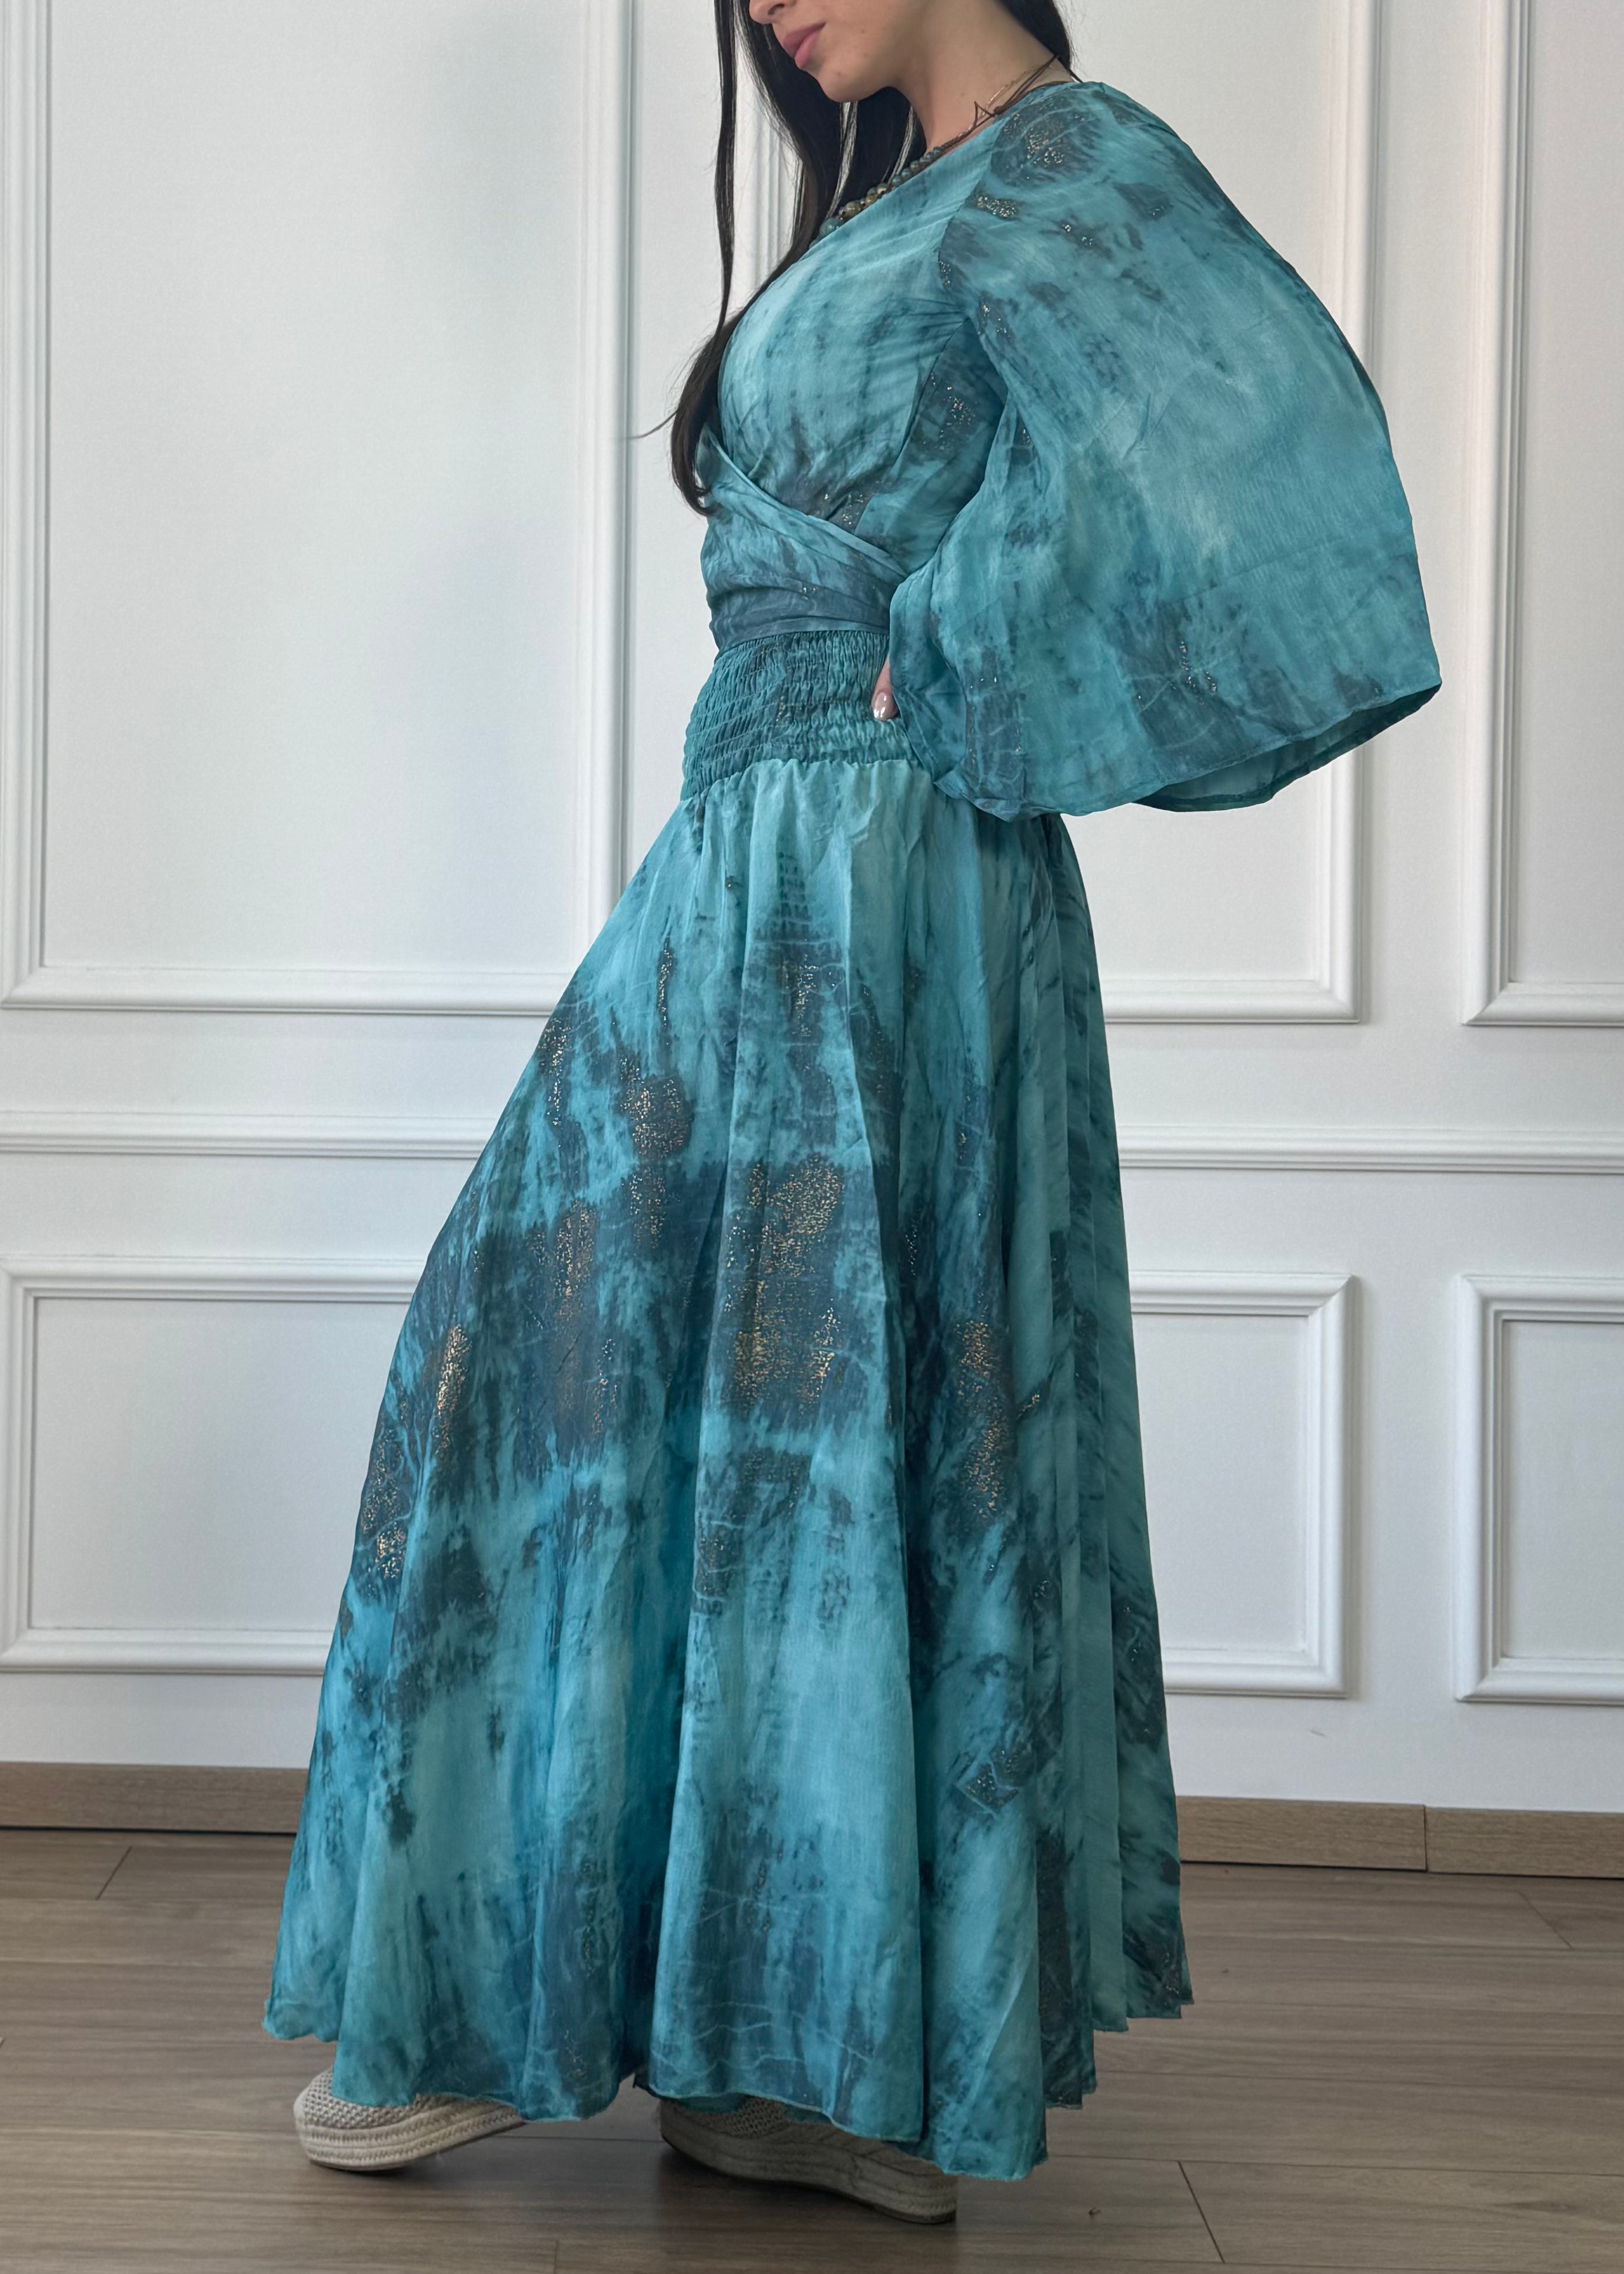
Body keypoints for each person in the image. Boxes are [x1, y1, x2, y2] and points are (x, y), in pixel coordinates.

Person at [264, 0, 1440, 2228]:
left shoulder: (1069, 160)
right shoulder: (898, 198)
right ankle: (710, 2031)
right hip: (759, 849)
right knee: (620, 1375)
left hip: (882, 870)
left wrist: (980, 634)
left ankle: (796, 2066)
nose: (769, 7)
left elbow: (1278, 477)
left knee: (837, 1431)